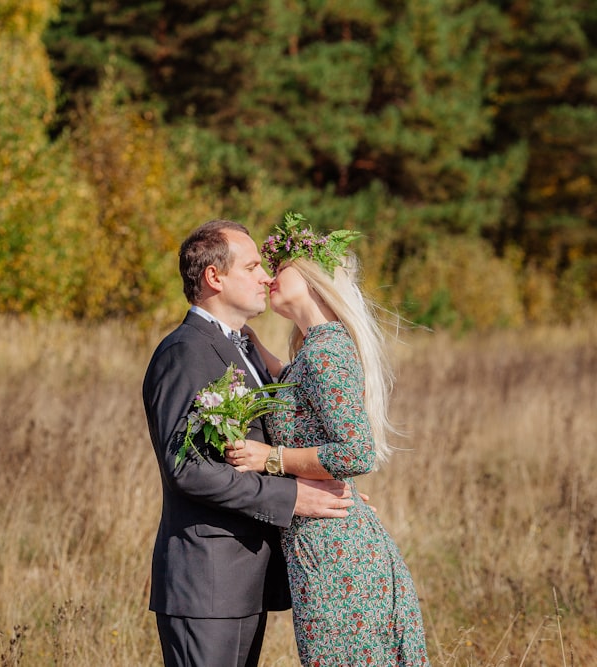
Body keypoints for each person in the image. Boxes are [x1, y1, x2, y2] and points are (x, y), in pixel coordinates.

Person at [141, 218, 358, 667]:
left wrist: (327, 485)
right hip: (206, 580)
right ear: (214, 277)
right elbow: (188, 470)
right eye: (254, 266)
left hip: (243, 578)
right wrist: (294, 497)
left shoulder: (242, 348)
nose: (266, 276)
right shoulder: (185, 351)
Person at [225, 212, 429, 665]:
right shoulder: (315, 350)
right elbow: (300, 394)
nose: (271, 275)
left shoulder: (328, 351)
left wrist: (270, 458)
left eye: (282, 266)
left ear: (315, 276)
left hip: (341, 559)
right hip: (323, 548)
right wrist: (254, 345)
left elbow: (356, 452)